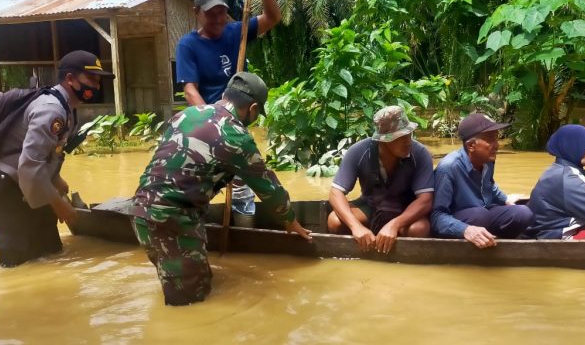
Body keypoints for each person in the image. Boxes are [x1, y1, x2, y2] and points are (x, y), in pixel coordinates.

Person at [132, 72, 312, 306]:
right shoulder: (236, 135)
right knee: (189, 305)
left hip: (141, 212)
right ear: (253, 108)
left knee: (200, 283)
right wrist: (290, 221)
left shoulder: (186, 114)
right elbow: (268, 186)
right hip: (173, 221)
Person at [0, 50, 114, 267]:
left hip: (27, 188)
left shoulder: (66, 108)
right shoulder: (52, 109)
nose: (96, 86)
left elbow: (47, 153)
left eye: (98, 81)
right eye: (91, 79)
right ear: (70, 79)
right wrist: (59, 205)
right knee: (19, 266)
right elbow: (29, 167)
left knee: (51, 254)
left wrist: (56, 180)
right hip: (5, 194)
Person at [176, 0, 282, 218]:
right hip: (207, 126)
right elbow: (190, 90)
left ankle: (242, 229)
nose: (217, 19)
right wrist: (212, 122)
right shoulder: (188, 45)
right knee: (203, 180)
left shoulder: (238, 31)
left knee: (242, 182)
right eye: (210, 14)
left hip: (236, 123)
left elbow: (273, 17)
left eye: (221, 12)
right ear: (196, 12)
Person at [328, 106, 433, 254]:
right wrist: (355, 227)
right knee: (334, 221)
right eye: (401, 137)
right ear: (384, 141)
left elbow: (426, 200)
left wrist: (394, 225)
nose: (407, 141)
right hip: (371, 205)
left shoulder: (420, 153)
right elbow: (335, 193)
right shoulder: (358, 151)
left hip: (404, 209)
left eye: (409, 134)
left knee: (419, 229)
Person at [430, 113, 534, 249]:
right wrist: (465, 230)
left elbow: (489, 185)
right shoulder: (448, 168)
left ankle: (496, 241)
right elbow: (436, 216)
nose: (497, 145)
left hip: (484, 212)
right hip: (462, 220)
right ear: (471, 146)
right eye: (490, 140)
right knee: (480, 216)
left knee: (523, 213)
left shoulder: (487, 160)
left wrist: (505, 200)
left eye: (496, 139)